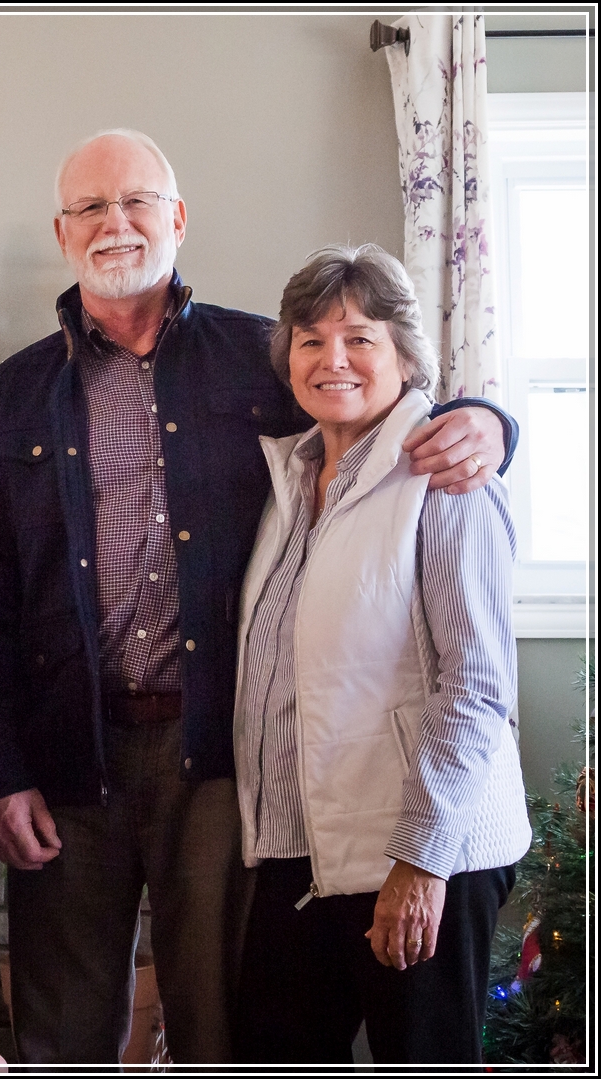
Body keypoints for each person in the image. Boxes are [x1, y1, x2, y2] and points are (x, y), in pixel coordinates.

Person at [0, 128, 517, 1064]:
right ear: (62, 232)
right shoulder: (15, 393)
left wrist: (487, 421)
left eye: (136, 201)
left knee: (221, 1030)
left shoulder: (264, 356)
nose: (115, 222)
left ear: (176, 217)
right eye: (90, 207)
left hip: (217, 753)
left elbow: (378, 404)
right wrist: (2, 770)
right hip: (66, 754)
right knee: (62, 1031)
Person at [231, 244, 529, 1064]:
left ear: (405, 355)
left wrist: (420, 862)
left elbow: (476, 685)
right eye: (311, 340)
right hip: (303, 851)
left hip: (423, 849)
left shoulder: (446, 476)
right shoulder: (292, 477)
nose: (333, 359)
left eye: (360, 337)